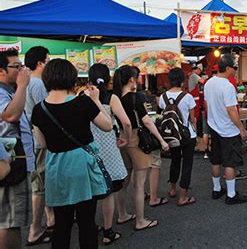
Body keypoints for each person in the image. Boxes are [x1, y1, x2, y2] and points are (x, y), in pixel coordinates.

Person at [31, 59, 112, 249]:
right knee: (86, 222)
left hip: (57, 167)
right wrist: (95, 101)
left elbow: (42, 143)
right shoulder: (82, 102)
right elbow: (108, 126)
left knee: (62, 223)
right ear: (71, 78)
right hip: (83, 167)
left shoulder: (38, 110)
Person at [113, 65, 169, 231]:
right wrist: (161, 140)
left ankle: (122, 215)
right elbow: (146, 121)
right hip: (136, 140)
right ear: (132, 79)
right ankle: (140, 221)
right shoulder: (136, 97)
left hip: (121, 140)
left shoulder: (114, 97)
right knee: (139, 184)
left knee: (124, 181)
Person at [88, 64, 131, 245]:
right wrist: (126, 139)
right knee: (109, 191)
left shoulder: (81, 96)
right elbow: (126, 122)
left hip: (88, 150)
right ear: (108, 79)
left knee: (90, 192)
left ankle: (90, 227)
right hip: (109, 150)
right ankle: (108, 231)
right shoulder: (111, 97)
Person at [204, 54, 247, 205]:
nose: (236, 70)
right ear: (228, 68)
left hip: (214, 127)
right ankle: (231, 194)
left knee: (215, 160)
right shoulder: (228, 86)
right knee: (230, 163)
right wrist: (241, 128)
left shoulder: (209, 83)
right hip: (228, 130)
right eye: (235, 67)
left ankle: (216, 189)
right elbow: (231, 110)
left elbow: (208, 105)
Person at [0, 49, 34, 249]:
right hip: (9, 163)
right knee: (9, 221)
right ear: (1, 71)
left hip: (15, 161)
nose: (21, 70)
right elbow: (10, 116)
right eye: (16, 66)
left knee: (12, 221)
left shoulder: (8, 91)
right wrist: (22, 86)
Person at [24, 46, 55, 246]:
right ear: (40, 63)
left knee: (40, 183)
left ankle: (50, 218)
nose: (49, 63)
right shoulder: (38, 85)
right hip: (39, 142)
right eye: (48, 60)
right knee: (39, 186)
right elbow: (47, 114)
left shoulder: (26, 83)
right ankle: (35, 230)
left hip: (30, 141)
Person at [158, 68, 197, 206]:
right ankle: (182, 197)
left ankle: (172, 189)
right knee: (187, 164)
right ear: (182, 80)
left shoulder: (162, 98)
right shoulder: (188, 97)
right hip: (187, 135)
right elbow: (193, 119)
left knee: (175, 160)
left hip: (172, 135)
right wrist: (196, 133)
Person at [202, 65, 218, 159]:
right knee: (215, 132)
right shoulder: (221, 83)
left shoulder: (207, 83)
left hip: (207, 111)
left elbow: (205, 100)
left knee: (205, 132)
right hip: (215, 112)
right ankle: (215, 150)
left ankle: (205, 151)